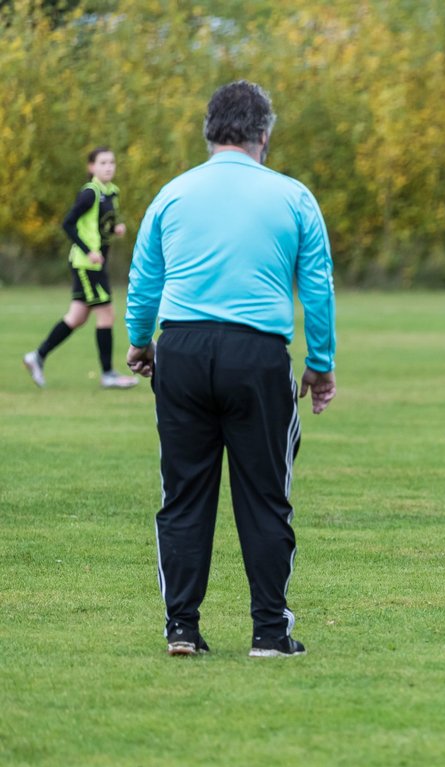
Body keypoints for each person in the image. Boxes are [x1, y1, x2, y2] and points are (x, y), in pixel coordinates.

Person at [125, 80, 337, 658]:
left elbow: (145, 280)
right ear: (264, 134)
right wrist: (320, 365)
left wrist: (140, 343)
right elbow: (316, 288)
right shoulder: (293, 196)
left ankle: (182, 628)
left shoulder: (172, 194)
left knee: (184, 494)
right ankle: (269, 632)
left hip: (184, 350)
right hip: (257, 354)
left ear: (209, 131)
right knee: (266, 496)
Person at [23, 147, 139, 389]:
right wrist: (89, 251)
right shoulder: (90, 194)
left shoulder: (112, 192)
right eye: (103, 163)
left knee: (77, 317)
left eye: (112, 162)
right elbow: (68, 224)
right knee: (106, 313)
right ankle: (108, 374)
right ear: (92, 167)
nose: (108, 167)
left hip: (95, 265)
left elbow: (99, 225)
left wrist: (115, 229)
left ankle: (37, 356)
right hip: (86, 265)